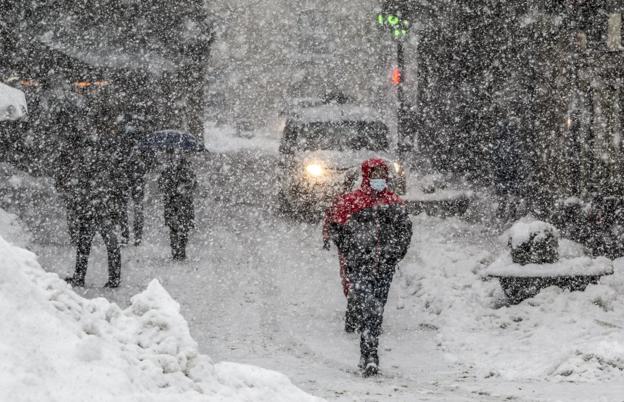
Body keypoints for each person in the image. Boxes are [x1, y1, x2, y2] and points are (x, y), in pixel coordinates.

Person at [324, 158, 412, 377]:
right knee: (369, 306)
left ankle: (368, 352)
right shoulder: (352, 202)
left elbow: (405, 230)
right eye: (374, 175)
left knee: (377, 308)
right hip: (360, 265)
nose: (378, 179)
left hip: (384, 266)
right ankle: (371, 354)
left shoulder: (394, 202)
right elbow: (336, 227)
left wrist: (395, 253)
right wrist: (351, 251)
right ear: (366, 176)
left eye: (382, 175)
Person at [64, 132, 123, 288]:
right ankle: (80, 277)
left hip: (100, 212)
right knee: (84, 246)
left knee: (110, 246)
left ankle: (113, 279)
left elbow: (113, 187)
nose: (86, 153)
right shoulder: (87, 167)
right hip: (91, 212)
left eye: (88, 150)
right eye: (84, 150)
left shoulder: (99, 166)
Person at [158, 152, 197, 260]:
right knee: (179, 229)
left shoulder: (169, 169)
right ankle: (179, 251)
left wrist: (174, 189)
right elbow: (194, 185)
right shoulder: (186, 170)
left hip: (176, 203)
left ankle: (177, 251)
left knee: (176, 229)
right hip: (181, 203)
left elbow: (161, 185)